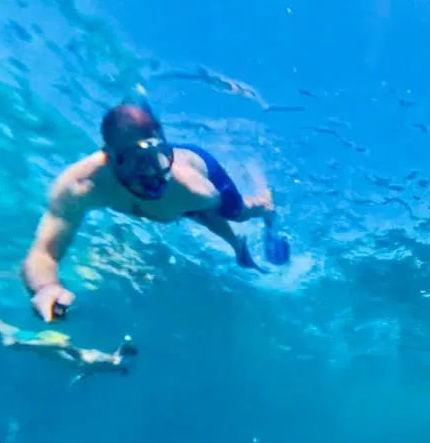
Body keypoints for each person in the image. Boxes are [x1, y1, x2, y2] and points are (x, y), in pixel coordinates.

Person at [21, 90, 290, 322]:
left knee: (239, 213)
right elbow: (44, 252)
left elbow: (206, 214)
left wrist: (233, 242)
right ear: (110, 158)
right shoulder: (79, 186)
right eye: (137, 163)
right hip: (184, 195)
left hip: (201, 170)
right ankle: (239, 241)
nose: (151, 175)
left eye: (156, 159)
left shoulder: (192, 188)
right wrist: (45, 287)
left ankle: (266, 205)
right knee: (191, 211)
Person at [0, 299, 136, 385]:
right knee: (2, 329)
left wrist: (79, 379)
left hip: (49, 346)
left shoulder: (114, 367)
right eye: (123, 358)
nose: (123, 363)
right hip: (48, 341)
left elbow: (93, 369)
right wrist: (21, 345)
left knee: (7, 335)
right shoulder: (98, 359)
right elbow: (63, 346)